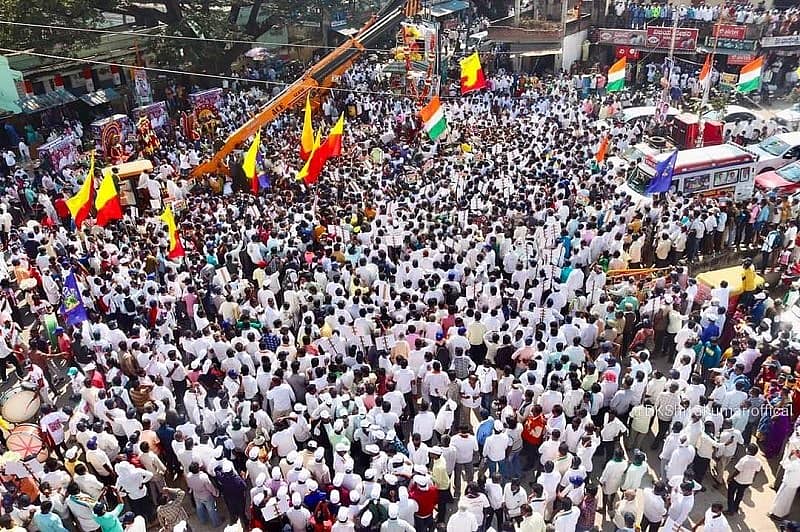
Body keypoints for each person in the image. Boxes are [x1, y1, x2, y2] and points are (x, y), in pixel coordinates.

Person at [726, 443, 762, 515]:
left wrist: (730, 478)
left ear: (748, 451)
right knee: (740, 494)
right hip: (747, 482)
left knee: (731, 494)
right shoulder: (758, 461)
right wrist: (753, 479)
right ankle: (735, 508)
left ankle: (730, 510)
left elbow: (737, 471)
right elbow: (757, 471)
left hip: (738, 480)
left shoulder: (744, 460)